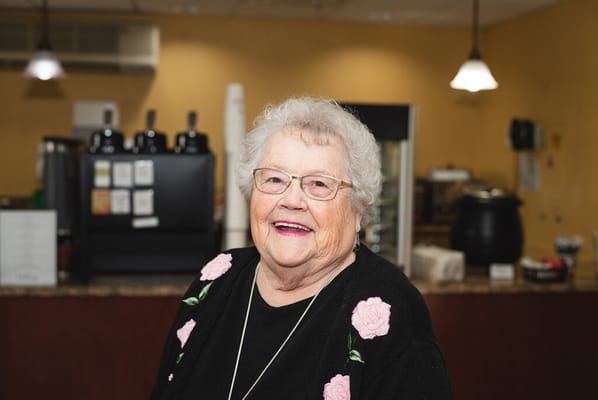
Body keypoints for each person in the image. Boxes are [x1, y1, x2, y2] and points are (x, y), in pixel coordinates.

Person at [150, 97, 451, 399]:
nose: (291, 201)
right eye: (275, 179)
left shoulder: (390, 313)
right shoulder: (216, 279)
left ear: (358, 209)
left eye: (319, 184)